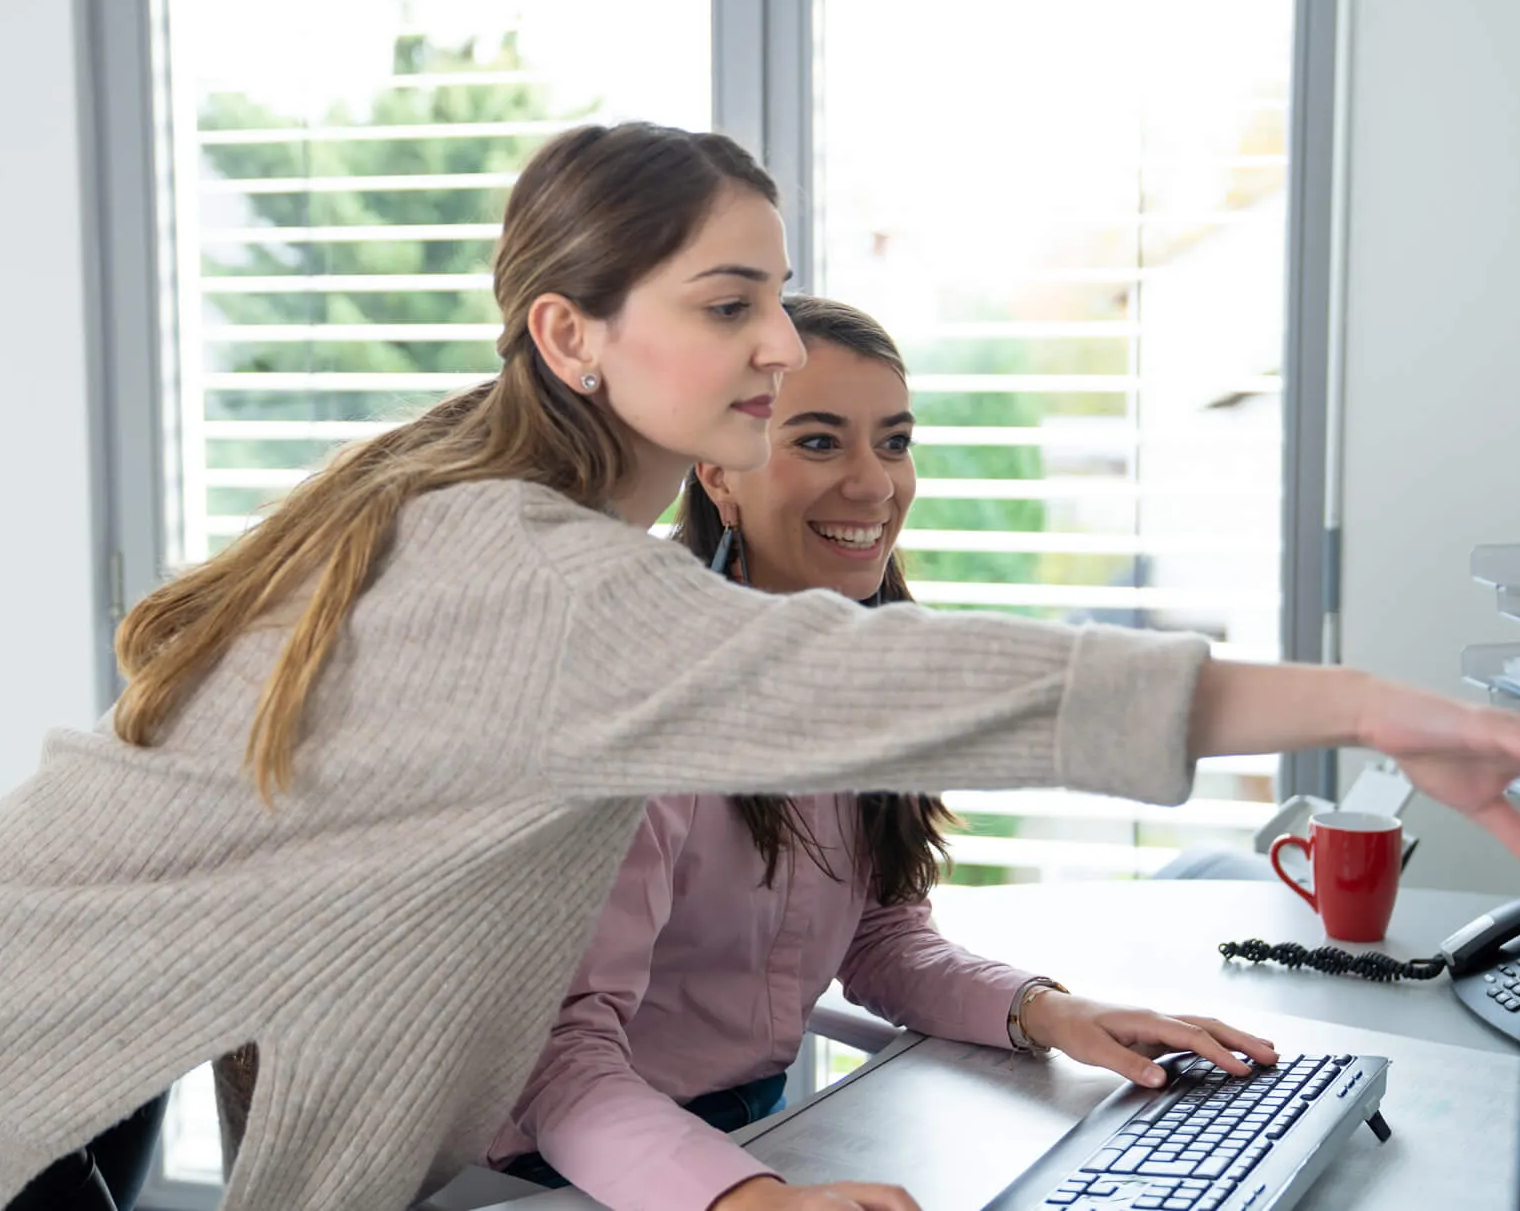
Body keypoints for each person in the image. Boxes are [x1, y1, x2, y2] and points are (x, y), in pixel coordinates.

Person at [0, 123, 1520, 1211]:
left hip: (35, 1021)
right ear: (570, 333)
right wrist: (1363, 707)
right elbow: (902, 685)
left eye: (775, 296)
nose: (776, 348)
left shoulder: (537, 541)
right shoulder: (534, 571)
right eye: (727, 305)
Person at [481, 298, 1281, 1211]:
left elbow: (880, 937)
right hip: (580, 1171)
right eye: (819, 442)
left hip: (758, 1132)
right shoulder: (639, 706)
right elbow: (560, 1062)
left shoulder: (872, 672)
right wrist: (747, 1198)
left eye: (893, 443)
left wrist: (1054, 1012)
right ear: (718, 473)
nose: (875, 485)